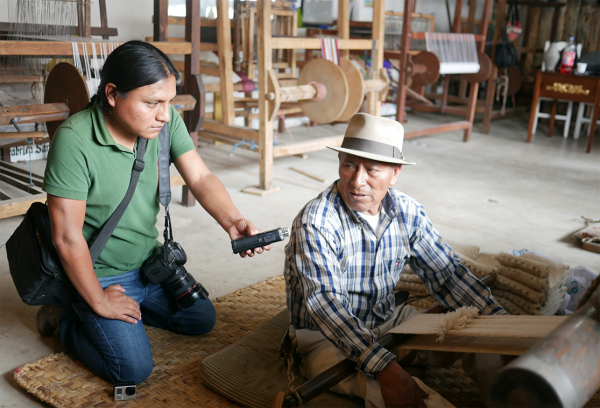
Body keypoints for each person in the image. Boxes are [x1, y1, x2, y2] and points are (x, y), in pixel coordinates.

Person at [38, 41, 270, 385]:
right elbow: (67, 237)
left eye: (168, 103)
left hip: (149, 265)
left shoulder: (164, 122)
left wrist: (233, 221)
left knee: (200, 320)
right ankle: (68, 318)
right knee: (132, 370)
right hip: (100, 272)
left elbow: (202, 177)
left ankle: (122, 314)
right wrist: (99, 301)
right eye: (152, 103)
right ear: (113, 94)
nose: (164, 114)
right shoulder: (74, 140)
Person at [283, 113, 508, 408]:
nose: (357, 180)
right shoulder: (316, 222)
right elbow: (328, 305)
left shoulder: (406, 211)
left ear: (395, 172)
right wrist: (385, 369)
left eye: (372, 170)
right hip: (326, 338)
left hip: (390, 322)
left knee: (488, 339)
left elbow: (449, 275)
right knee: (404, 396)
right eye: (349, 164)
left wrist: (503, 325)